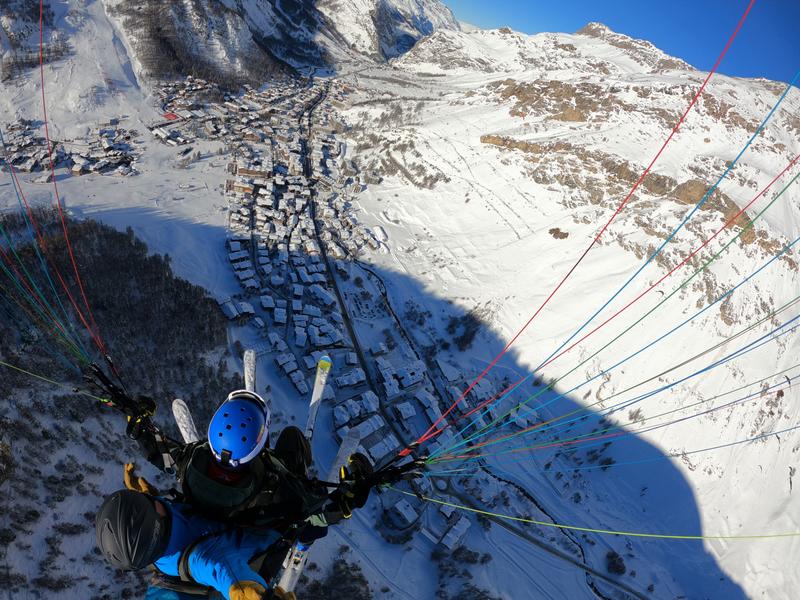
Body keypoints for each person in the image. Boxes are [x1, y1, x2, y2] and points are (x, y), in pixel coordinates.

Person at [126, 390, 352, 544]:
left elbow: (159, 453)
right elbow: (313, 517)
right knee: (293, 438)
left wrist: (138, 426)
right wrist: (345, 501)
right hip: (253, 526)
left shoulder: (190, 462)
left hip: (216, 517)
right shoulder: (274, 493)